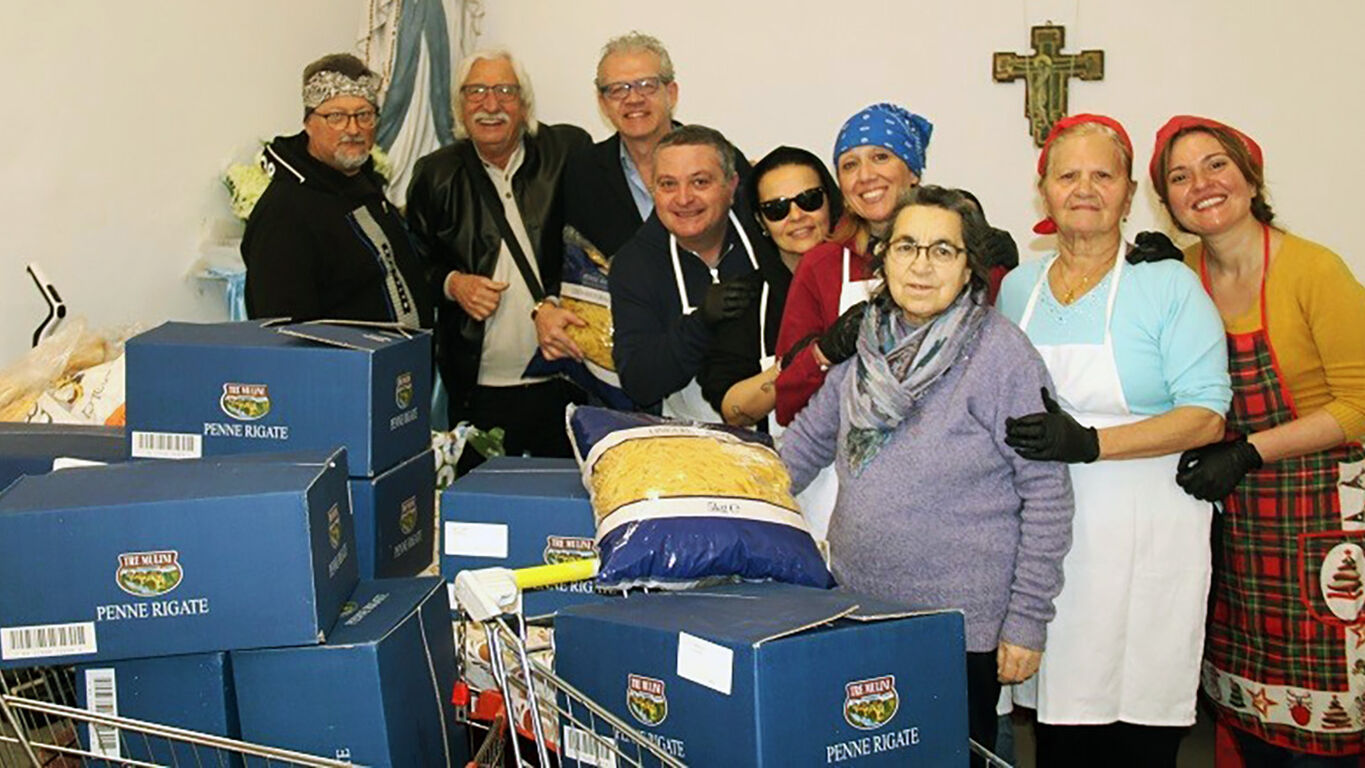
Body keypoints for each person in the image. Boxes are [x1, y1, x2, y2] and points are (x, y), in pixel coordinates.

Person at [779, 186, 1074, 764]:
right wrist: (725, 507)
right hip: (858, 607)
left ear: (969, 268)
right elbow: (806, 444)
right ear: (883, 259)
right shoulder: (865, 345)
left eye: (942, 250)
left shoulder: (1002, 356)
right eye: (907, 246)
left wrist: (1027, 624)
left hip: (959, 629)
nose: (920, 264)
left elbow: (1046, 495)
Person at [995, 113, 1232, 767]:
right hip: (1051, 542)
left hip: (1147, 534)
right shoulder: (1018, 290)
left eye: (1103, 175)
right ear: (1042, 189)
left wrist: (1091, 443)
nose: (1085, 188)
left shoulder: (1167, 286)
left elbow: (1207, 415)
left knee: (1135, 725)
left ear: (1129, 194)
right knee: (1058, 727)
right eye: (1067, 174)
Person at [1151, 115, 1365, 765]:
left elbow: (1358, 404)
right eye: (1179, 176)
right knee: (1248, 714)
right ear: (1166, 202)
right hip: (1238, 530)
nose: (1201, 184)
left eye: (1215, 165)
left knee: (1326, 722)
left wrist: (1247, 452)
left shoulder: (1311, 270)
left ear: (1250, 176)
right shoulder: (1181, 279)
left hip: (1327, 519)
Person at [405, 49, 590, 462]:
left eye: (505, 91)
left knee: (562, 513)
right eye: (477, 92)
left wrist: (555, 300)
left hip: (565, 378)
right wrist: (454, 284)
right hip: (477, 388)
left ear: (525, 104)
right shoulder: (435, 174)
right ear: (459, 105)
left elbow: (594, 248)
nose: (491, 105)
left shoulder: (566, 154)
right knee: (480, 517)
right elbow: (411, 267)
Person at [542, 32, 752, 365]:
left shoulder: (717, 158)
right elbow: (554, 255)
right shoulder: (582, 172)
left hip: (721, 354)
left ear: (671, 92)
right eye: (618, 89)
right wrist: (545, 307)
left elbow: (755, 250)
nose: (633, 99)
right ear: (602, 102)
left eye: (646, 85)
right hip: (628, 362)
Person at [242, 53, 432, 328]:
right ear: (308, 123)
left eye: (364, 115)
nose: (353, 129)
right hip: (342, 370)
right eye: (336, 116)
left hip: (396, 365)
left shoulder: (366, 187)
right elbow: (281, 330)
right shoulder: (285, 211)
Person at [608, 124, 772, 420]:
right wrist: (701, 322)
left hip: (787, 430)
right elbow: (639, 382)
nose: (683, 199)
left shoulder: (769, 235)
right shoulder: (635, 264)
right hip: (691, 440)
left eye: (700, 182)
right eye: (668, 185)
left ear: (732, 186)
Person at [699, 146, 843, 430]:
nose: (796, 215)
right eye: (776, 208)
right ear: (761, 222)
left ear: (831, 202)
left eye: (809, 199)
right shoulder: (742, 301)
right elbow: (734, 410)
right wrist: (801, 364)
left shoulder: (877, 279)